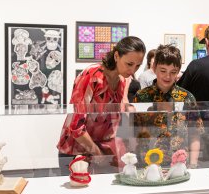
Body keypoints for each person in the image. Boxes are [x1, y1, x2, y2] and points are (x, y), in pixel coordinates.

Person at [56, 36, 146, 174]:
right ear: (116, 56)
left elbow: (114, 122)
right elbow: (75, 125)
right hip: (76, 152)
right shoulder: (92, 75)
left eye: (138, 66)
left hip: (102, 154)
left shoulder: (122, 80)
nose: (133, 71)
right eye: (129, 64)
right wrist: (98, 153)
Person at [133, 44, 204, 168]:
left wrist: (193, 164)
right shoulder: (141, 97)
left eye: (173, 72)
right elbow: (133, 133)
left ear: (178, 71)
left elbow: (195, 134)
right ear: (154, 68)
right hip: (147, 164)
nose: (167, 76)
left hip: (179, 164)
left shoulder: (186, 97)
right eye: (163, 70)